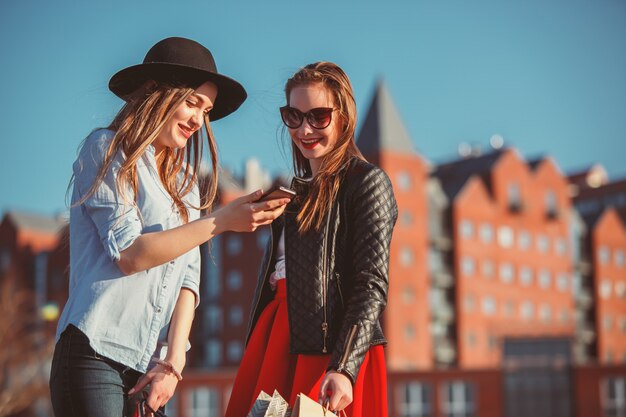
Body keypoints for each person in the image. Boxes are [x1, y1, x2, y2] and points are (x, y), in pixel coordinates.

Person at [49, 37, 290, 417]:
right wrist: (221, 222)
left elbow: (187, 281)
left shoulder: (187, 183)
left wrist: (173, 365)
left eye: (206, 110)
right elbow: (130, 254)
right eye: (192, 102)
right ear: (154, 93)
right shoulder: (106, 150)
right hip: (93, 354)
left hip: (150, 369)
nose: (198, 119)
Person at [225, 62, 398, 417]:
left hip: (330, 347)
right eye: (294, 115)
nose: (304, 128)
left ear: (344, 116)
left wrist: (345, 366)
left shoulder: (367, 182)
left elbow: (371, 284)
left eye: (319, 116)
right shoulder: (293, 194)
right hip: (276, 335)